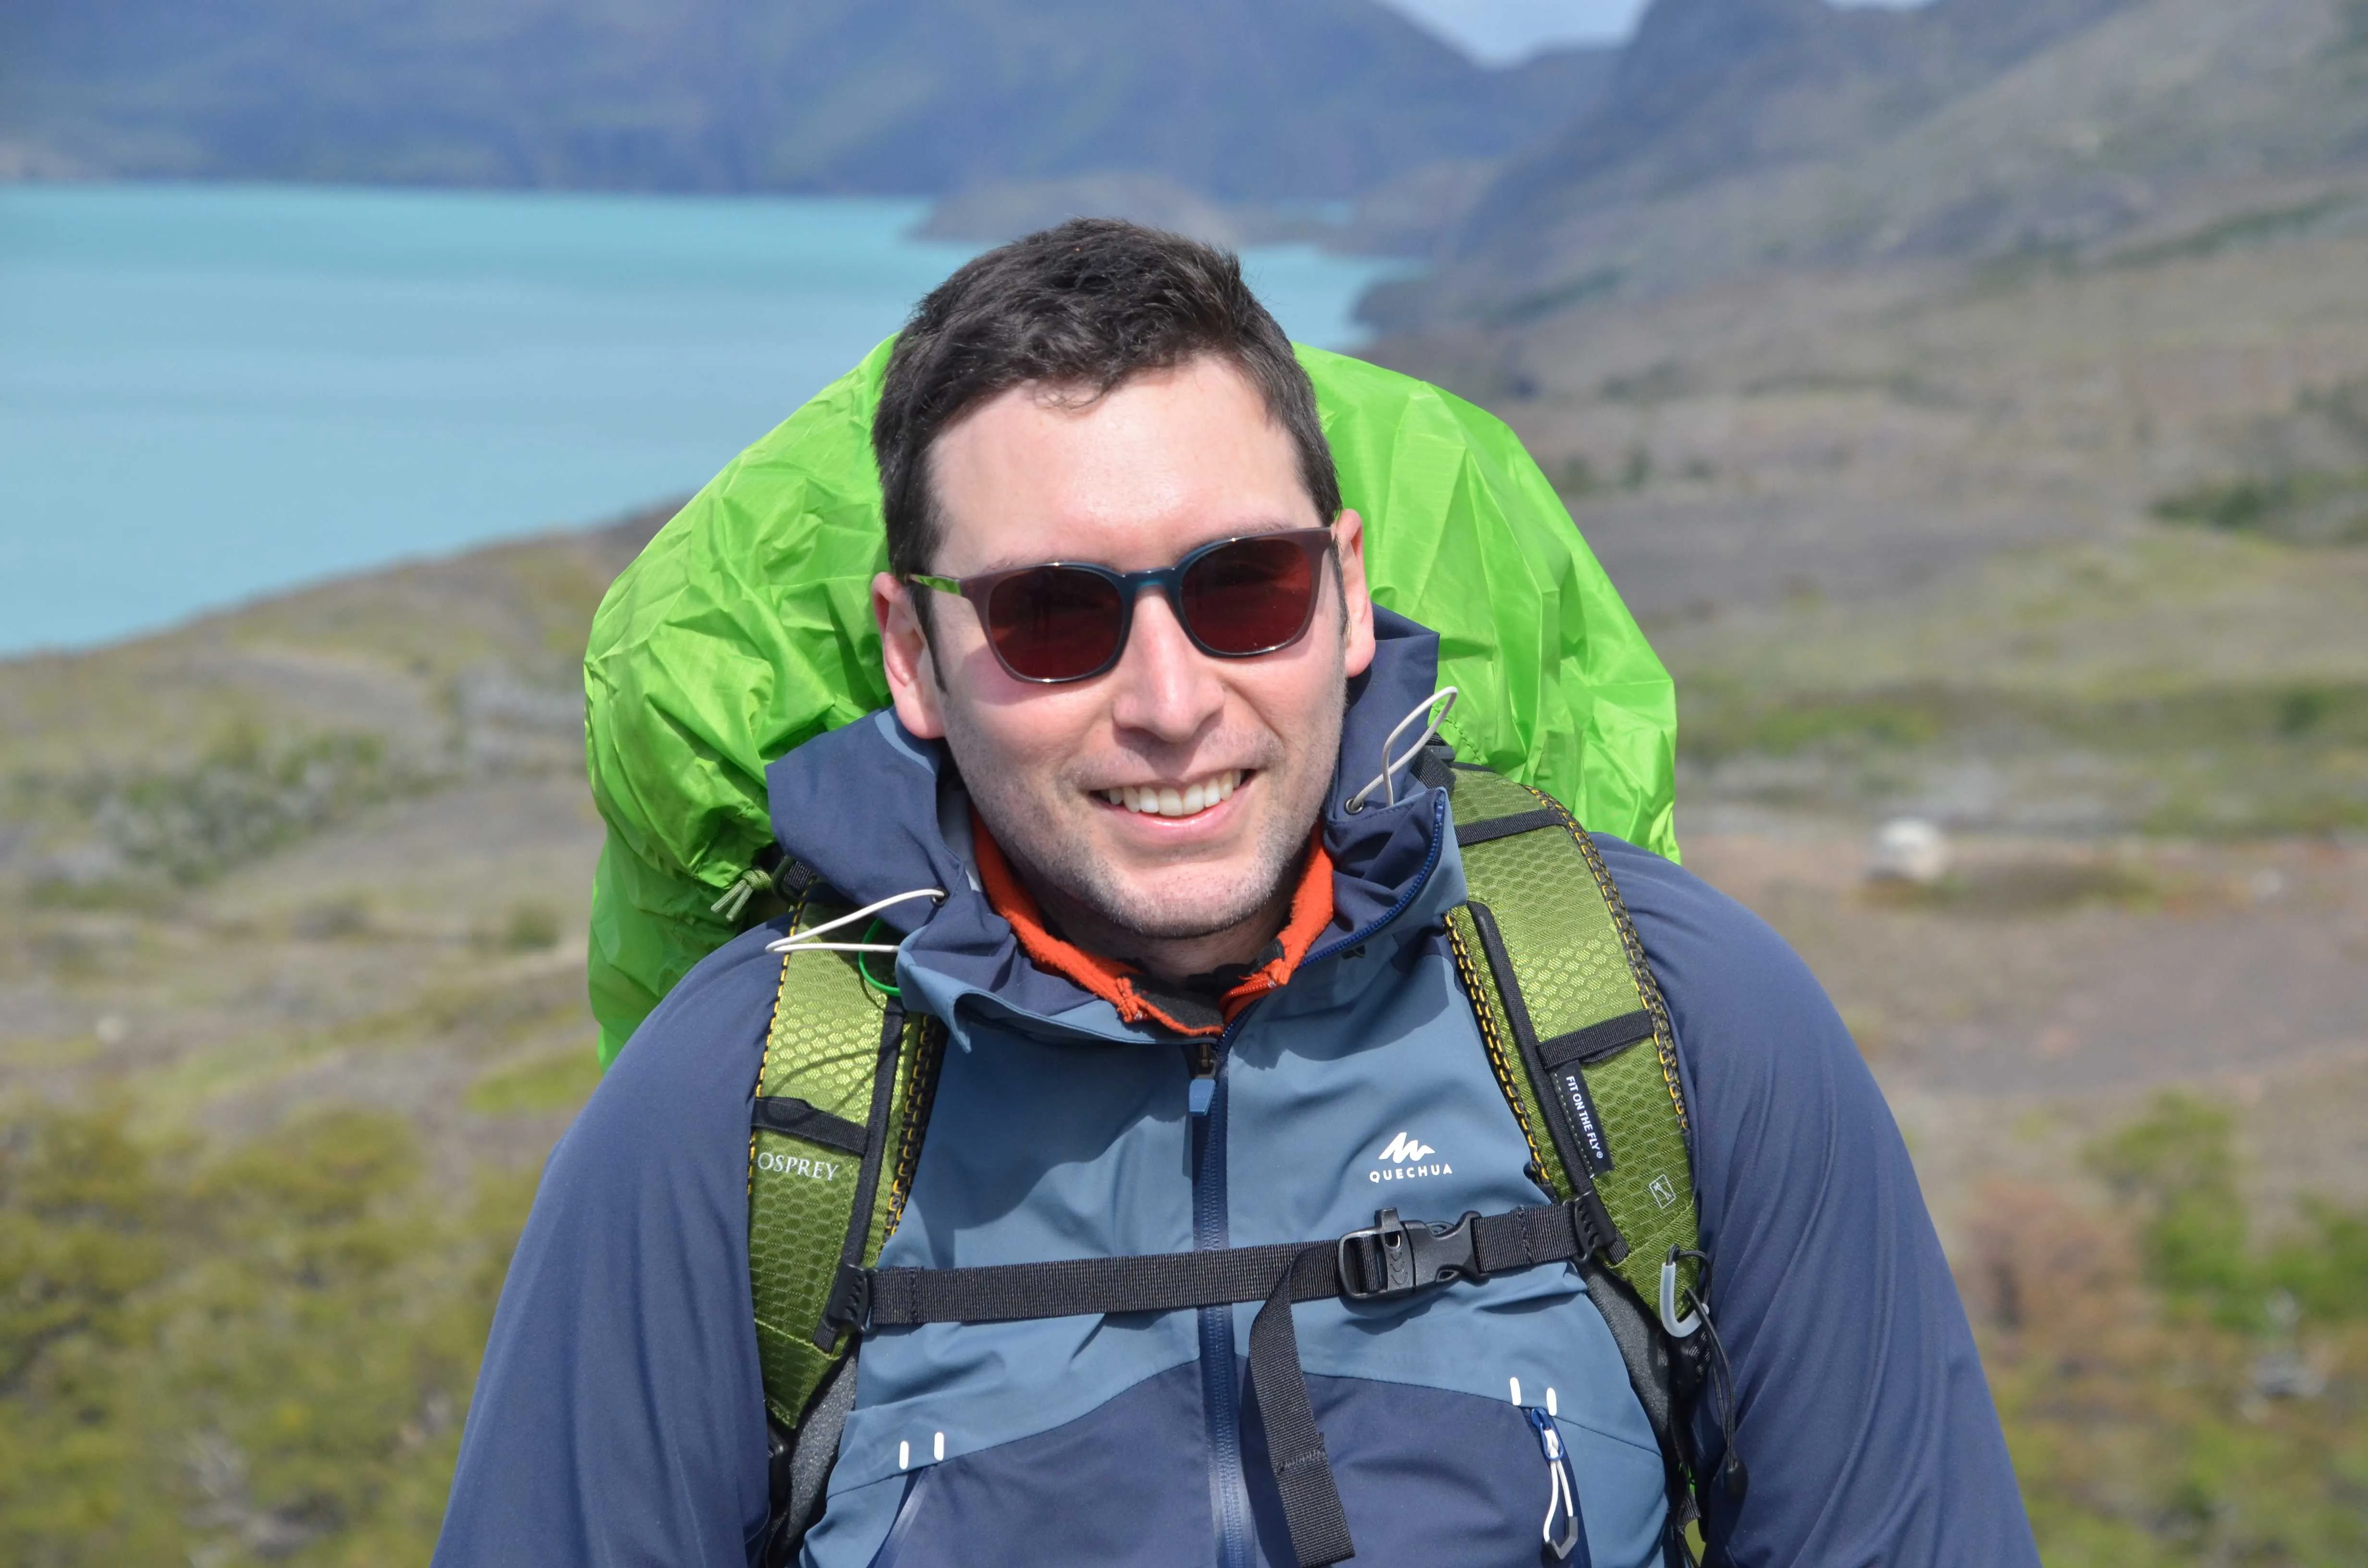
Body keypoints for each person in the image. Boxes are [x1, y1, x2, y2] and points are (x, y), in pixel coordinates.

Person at [434, 221, 2038, 1567]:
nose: (1170, 700)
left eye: (1241, 590)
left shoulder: (1669, 1021)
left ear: (1345, 589)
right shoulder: (733, 1118)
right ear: (915, 656)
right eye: (1053, 615)